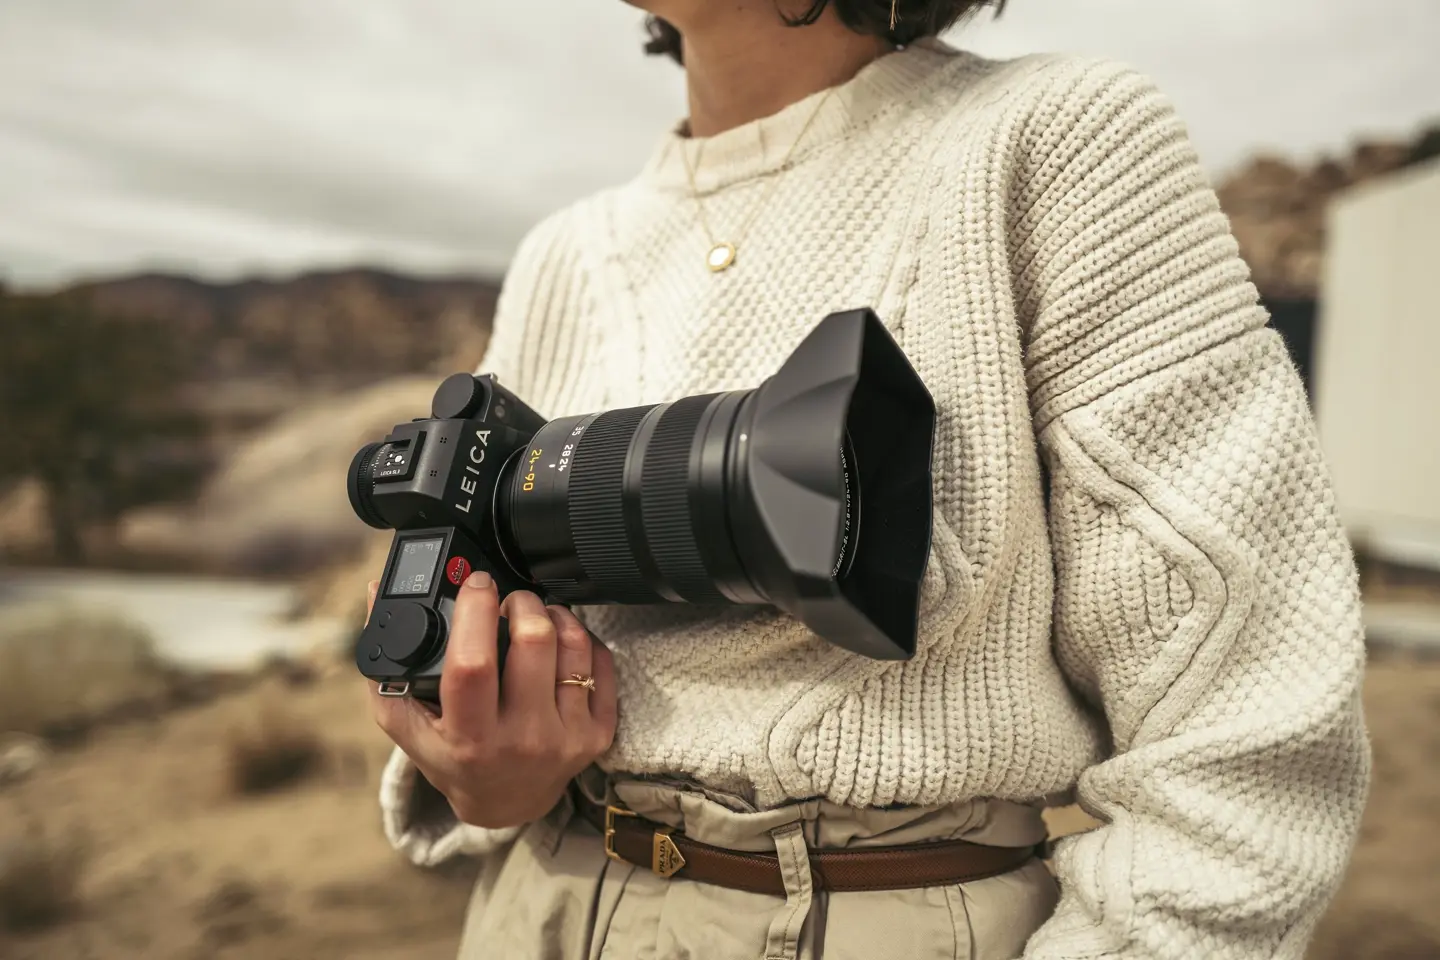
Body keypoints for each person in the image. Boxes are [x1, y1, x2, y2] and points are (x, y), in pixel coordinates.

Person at [365, 2, 1371, 957]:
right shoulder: (562, 253)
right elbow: (474, 668)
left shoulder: (1059, 136)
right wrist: (479, 775)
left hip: (893, 906)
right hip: (541, 902)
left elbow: (1245, 743)